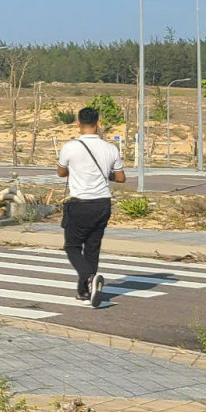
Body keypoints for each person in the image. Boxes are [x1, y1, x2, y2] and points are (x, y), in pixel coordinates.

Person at [57, 105, 125, 306]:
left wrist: (76, 170)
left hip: (80, 203)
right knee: (92, 248)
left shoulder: (70, 147)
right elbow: (120, 177)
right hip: (103, 203)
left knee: (72, 246)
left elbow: (61, 172)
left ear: (78, 123)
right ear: (98, 123)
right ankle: (85, 291)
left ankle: (88, 277)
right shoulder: (111, 148)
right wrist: (105, 173)